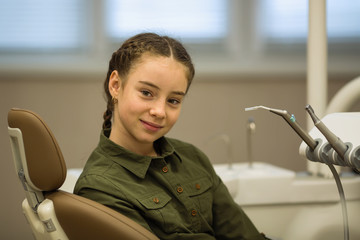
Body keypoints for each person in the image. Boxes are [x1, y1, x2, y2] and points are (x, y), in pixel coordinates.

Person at [74, 32, 267, 240]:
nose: (160, 111)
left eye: (173, 100)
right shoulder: (99, 188)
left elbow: (244, 234)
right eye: (147, 93)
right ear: (116, 85)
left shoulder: (192, 157)